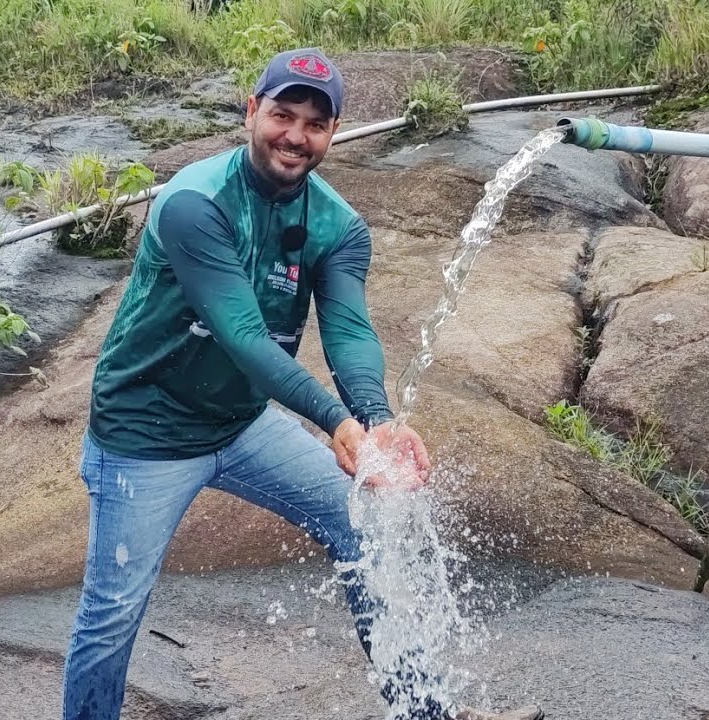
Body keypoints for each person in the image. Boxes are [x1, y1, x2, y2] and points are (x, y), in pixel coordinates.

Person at [61, 47, 542, 720]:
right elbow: (244, 338)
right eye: (283, 115)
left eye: (315, 124)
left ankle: (423, 711)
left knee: (366, 530)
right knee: (113, 613)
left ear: (333, 132)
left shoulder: (338, 226)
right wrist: (334, 421)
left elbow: (348, 329)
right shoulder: (194, 203)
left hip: (241, 424)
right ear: (252, 112)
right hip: (144, 434)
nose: (295, 135)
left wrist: (375, 418)